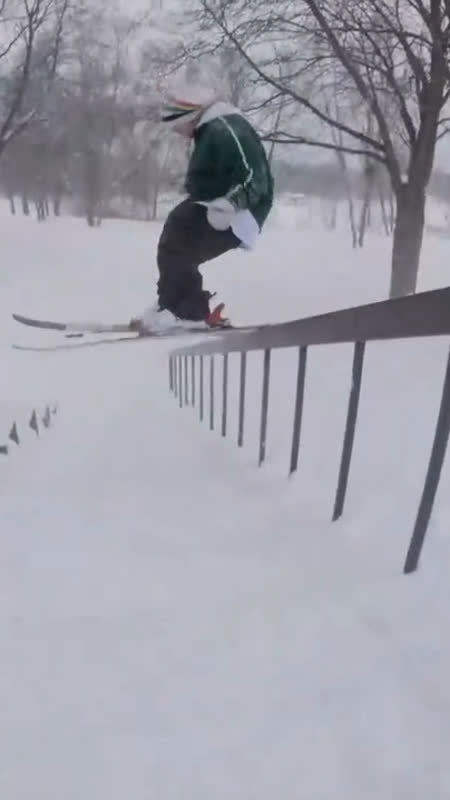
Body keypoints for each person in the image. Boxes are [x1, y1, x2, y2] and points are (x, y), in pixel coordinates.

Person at [131, 85, 274, 333]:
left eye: (177, 126)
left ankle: (184, 312)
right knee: (177, 235)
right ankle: (174, 305)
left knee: (180, 241)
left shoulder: (226, 128)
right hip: (215, 205)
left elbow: (255, 176)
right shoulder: (210, 130)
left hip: (239, 211)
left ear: (187, 116)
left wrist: (231, 203)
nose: (178, 133)